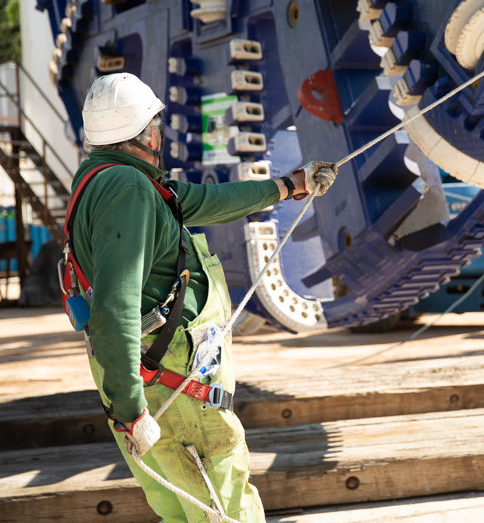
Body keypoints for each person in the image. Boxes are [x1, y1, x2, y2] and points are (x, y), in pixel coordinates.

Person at [63, 72, 337, 522]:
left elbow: (210, 200)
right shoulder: (130, 190)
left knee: (180, 505)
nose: (161, 132)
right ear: (146, 130)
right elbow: (115, 304)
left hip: (143, 369)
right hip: (168, 370)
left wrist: (290, 186)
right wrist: (132, 409)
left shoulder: (112, 180)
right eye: (157, 123)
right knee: (222, 493)